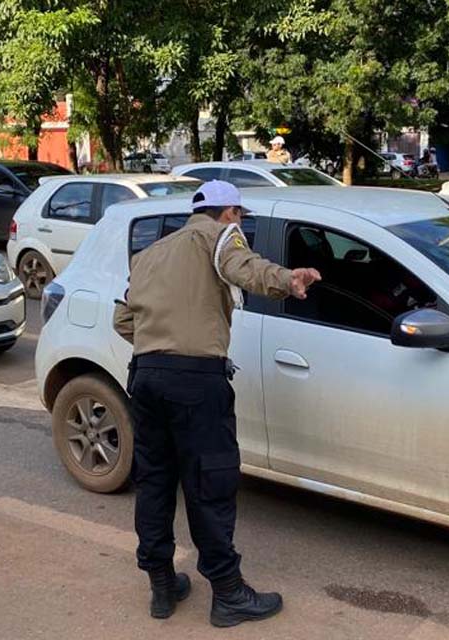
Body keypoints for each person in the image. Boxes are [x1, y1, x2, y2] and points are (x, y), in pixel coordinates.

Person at [113, 180, 321, 627]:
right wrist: (289, 279)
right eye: (240, 216)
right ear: (229, 213)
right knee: (210, 483)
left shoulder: (149, 254)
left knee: (154, 483)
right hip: (195, 383)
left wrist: (159, 345)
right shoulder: (221, 236)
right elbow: (244, 267)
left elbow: (122, 317)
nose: (241, 223)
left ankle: (162, 585)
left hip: (146, 378)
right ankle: (228, 594)